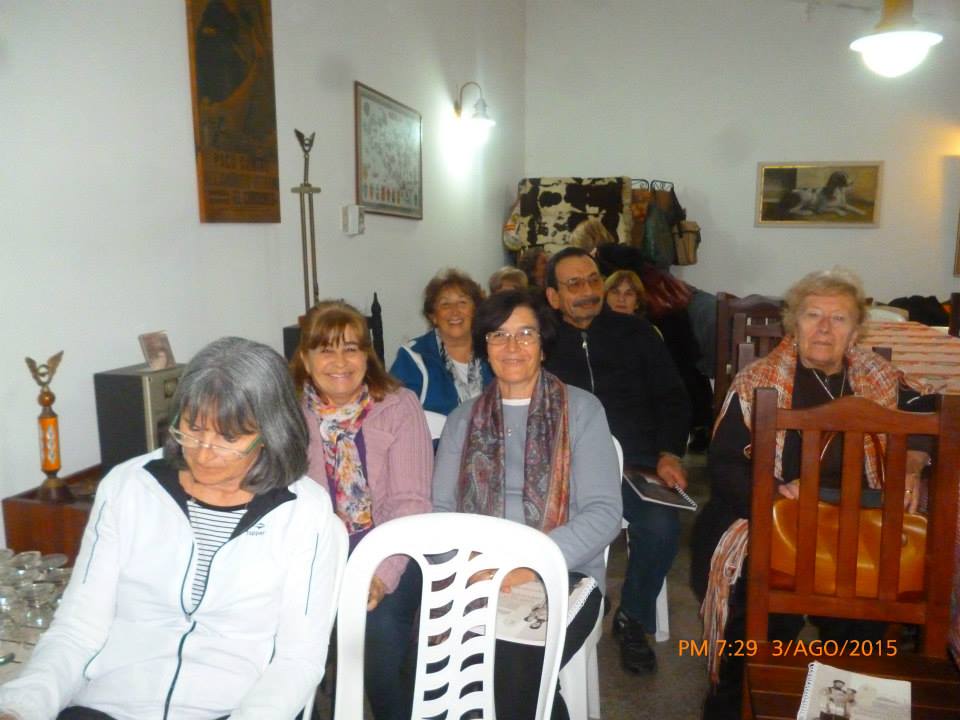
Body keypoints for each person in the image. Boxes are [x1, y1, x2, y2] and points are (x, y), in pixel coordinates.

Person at [0, 337, 342, 720]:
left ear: (271, 433)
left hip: (230, 710)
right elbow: (77, 628)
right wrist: (21, 706)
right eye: (192, 429)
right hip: (109, 705)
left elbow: (297, 659)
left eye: (229, 438)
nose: (204, 452)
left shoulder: (303, 511)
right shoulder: (129, 487)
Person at [691, 268, 933, 720]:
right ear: (793, 324)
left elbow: (929, 408)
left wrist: (915, 459)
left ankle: (846, 701)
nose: (824, 328)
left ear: (856, 331)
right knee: (757, 628)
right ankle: (735, 702)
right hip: (773, 520)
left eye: (838, 318)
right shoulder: (759, 382)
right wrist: (776, 494)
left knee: (864, 626)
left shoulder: (878, 377)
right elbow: (724, 466)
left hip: (857, 528)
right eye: (812, 315)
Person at [433, 289, 621, 720]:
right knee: (428, 664)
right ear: (485, 346)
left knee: (512, 672)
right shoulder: (463, 419)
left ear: (543, 344)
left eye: (525, 334)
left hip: (566, 572)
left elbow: (604, 512)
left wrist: (530, 564)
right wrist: (473, 565)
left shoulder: (582, 410)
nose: (512, 346)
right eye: (498, 335)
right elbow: (441, 511)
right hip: (477, 572)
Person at [542, 246, 690, 675]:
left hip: (634, 464)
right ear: (553, 296)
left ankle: (633, 617)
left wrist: (669, 453)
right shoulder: (541, 341)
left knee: (661, 527)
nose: (588, 291)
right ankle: (576, 604)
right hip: (562, 469)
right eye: (574, 284)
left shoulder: (637, 333)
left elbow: (674, 398)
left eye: (592, 280)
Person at [291, 301, 433, 720]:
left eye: (351, 349)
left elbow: (411, 503)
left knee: (379, 631)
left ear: (367, 356)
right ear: (306, 359)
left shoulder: (399, 405)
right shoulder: (288, 414)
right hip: (316, 555)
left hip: (394, 549)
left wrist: (380, 575)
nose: (340, 362)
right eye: (326, 350)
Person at [390, 269, 493, 415]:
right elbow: (394, 415)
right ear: (433, 316)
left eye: (462, 302)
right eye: (445, 304)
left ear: (475, 311)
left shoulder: (493, 352)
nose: (455, 311)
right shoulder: (413, 358)